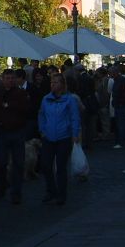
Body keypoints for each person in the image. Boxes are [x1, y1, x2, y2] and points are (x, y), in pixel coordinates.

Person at [0, 69, 31, 205]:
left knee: (18, 163)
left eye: (12, 78)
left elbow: (27, 110)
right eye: (7, 78)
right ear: (3, 79)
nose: (10, 80)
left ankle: (16, 192)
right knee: (0, 163)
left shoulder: (21, 94)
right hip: (2, 131)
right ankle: (3, 185)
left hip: (17, 132)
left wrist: (12, 108)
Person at [37, 73, 82, 207]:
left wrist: (74, 133)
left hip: (64, 136)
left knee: (61, 167)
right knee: (46, 165)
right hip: (48, 136)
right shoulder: (46, 99)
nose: (53, 85)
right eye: (52, 82)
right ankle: (51, 190)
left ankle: (61, 194)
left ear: (62, 85)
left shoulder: (69, 100)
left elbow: (75, 117)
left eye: (56, 82)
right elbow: (42, 115)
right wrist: (42, 130)